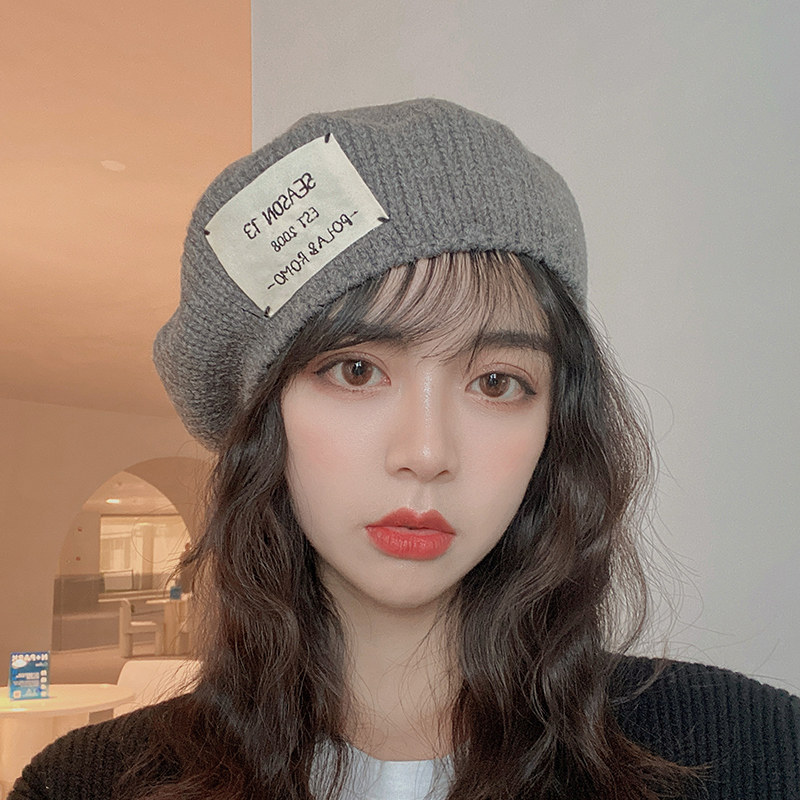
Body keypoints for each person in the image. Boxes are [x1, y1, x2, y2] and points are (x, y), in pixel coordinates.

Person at [11, 99, 799, 800]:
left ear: (555, 428)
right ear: (265, 420)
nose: (426, 452)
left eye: (496, 382)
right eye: (356, 371)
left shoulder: (758, 754)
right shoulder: (84, 784)